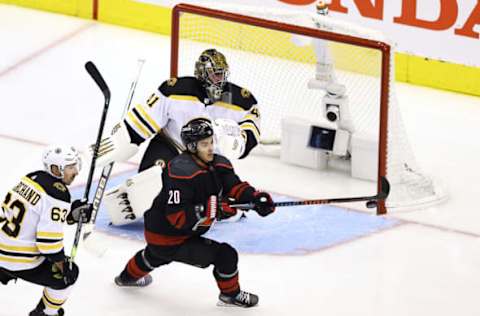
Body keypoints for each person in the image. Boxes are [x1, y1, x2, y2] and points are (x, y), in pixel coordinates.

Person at [114, 118, 275, 307]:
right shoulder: (180, 171)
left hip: (173, 233)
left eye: (211, 142)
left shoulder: (217, 163)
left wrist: (255, 198)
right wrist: (213, 209)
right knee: (225, 255)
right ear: (192, 146)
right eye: (204, 144)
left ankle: (125, 279)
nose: (210, 148)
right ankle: (230, 295)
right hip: (165, 234)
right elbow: (177, 217)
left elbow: (234, 186)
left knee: (153, 257)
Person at [97, 48, 262, 226]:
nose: (219, 81)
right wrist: (121, 142)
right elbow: (141, 122)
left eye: (222, 75)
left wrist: (240, 143)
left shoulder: (241, 101)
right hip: (171, 146)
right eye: (214, 75)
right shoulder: (176, 90)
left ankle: (217, 203)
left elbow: (251, 128)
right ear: (201, 74)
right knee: (148, 192)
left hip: (206, 159)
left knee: (208, 202)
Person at [0, 145, 93, 316]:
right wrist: (63, 265)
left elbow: (34, 216)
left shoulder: (31, 178)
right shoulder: (58, 194)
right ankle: (45, 313)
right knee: (69, 276)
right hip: (15, 258)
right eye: (71, 167)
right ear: (57, 170)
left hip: (2, 244)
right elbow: (47, 244)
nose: (76, 171)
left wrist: (70, 214)